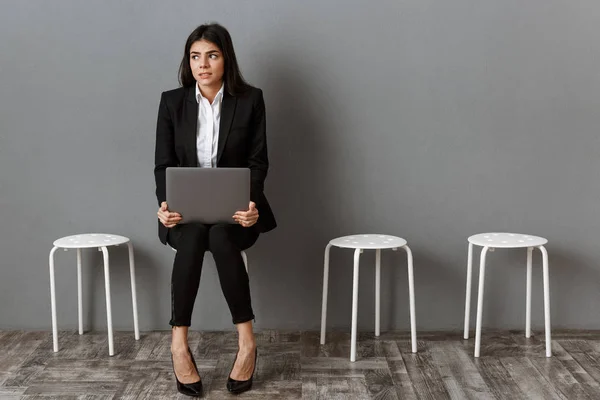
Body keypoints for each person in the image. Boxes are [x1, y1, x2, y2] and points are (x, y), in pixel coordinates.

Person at [154, 23, 276, 397]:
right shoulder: (172, 102)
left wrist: (251, 205)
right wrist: (165, 205)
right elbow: (163, 165)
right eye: (195, 56)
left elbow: (258, 162)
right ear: (187, 61)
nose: (202, 64)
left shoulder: (250, 99)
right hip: (184, 215)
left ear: (226, 59)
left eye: (211, 55)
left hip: (237, 215)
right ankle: (178, 345)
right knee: (191, 237)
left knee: (222, 237)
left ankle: (247, 344)